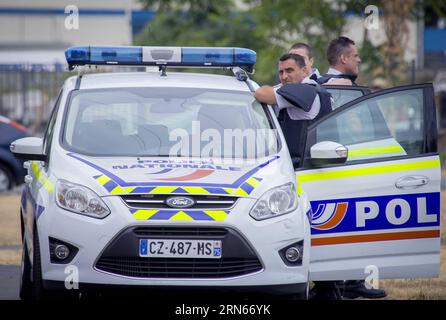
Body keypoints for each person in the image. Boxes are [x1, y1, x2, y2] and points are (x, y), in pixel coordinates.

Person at [313, 36, 387, 300]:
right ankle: (329, 287)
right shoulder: (325, 86)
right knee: (333, 225)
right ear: (343, 59)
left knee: (356, 223)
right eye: (355, 56)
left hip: (348, 162)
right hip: (326, 166)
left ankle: (353, 281)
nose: (358, 60)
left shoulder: (345, 87)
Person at [254, 53, 332, 166]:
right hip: (314, 164)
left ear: (305, 71)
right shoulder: (316, 90)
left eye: (289, 71)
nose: (284, 77)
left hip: (301, 167)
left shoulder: (303, 91)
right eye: (281, 72)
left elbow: (261, 94)